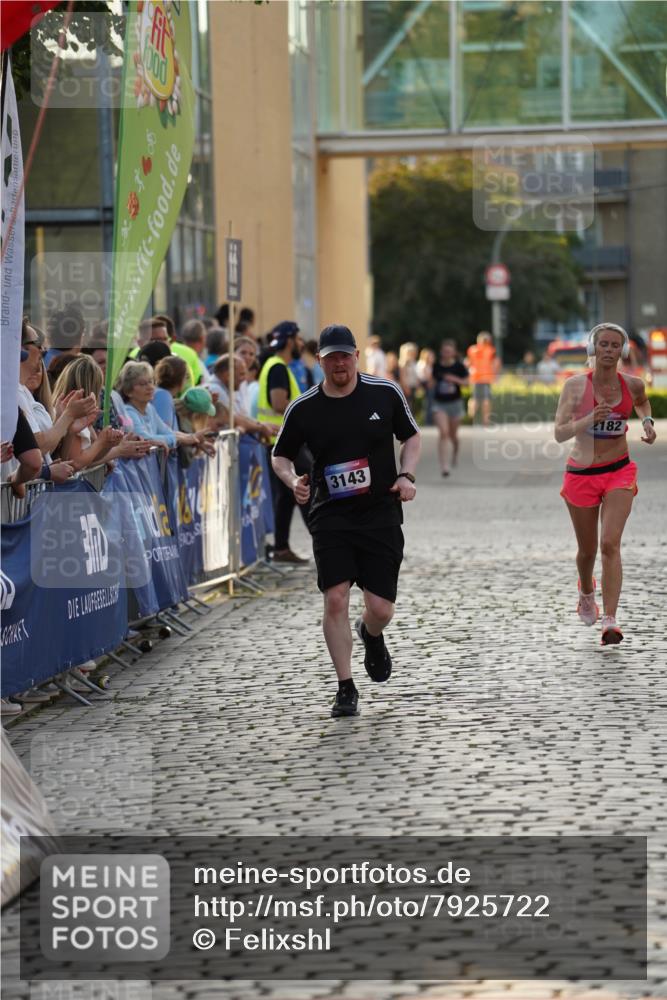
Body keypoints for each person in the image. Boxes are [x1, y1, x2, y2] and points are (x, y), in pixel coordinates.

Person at [272, 324, 421, 718]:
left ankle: (371, 635)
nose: (339, 363)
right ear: (319, 361)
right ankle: (345, 687)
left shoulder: (384, 393)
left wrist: (406, 476)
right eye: (330, 357)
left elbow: (413, 437)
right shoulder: (303, 407)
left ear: (356, 356)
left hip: (379, 512)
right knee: (335, 597)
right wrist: (293, 482)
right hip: (330, 513)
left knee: (381, 607)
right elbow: (280, 455)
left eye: (345, 355)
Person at [555, 322, 656, 645]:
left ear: (622, 351)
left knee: (610, 543)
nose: (610, 351)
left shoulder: (633, 384)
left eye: (615, 345)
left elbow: (641, 402)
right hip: (581, 474)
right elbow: (559, 432)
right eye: (604, 345)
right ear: (593, 349)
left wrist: (648, 422)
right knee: (587, 551)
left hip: (619, 471)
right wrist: (588, 420)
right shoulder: (574, 387)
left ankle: (610, 619)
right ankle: (586, 592)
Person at [257, 321, 311, 563]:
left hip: (279, 439)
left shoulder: (277, 365)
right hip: (285, 441)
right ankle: (324, 541)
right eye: (298, 339)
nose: (301, 344)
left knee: (287, 497)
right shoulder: (278, 367)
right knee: (307, 487)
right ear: (290, 340)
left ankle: (281, 548)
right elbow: (279, 403)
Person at [431, 340, 469, 476]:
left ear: (453, 352)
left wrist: (454, 379)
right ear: (441, 352)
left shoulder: (459, 367)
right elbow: (431, 383)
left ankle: (455, 453)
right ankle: (444, 466)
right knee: (444, 432)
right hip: (439, 403)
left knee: (453, 435)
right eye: (444, 351)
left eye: (449, 351)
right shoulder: (436, 366)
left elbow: (467, 382)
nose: (446, 354)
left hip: (455, 403)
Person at [466, 331, 499, 426]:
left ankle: (471, 419)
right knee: (486, 400)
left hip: (475, 378)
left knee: (475, 399)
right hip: (486, 378)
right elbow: (495, 364)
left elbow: (468, 363)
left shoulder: (472, 349)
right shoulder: (490, 350)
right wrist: (495, 376)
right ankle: (486, 421)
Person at [398, 342, 419, 413]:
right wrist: (405, 387)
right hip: (407, 387)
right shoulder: (403, 362)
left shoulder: (413, 362)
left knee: (412, 406)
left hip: (413, 386)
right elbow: (402, 376)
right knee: (407, 407)